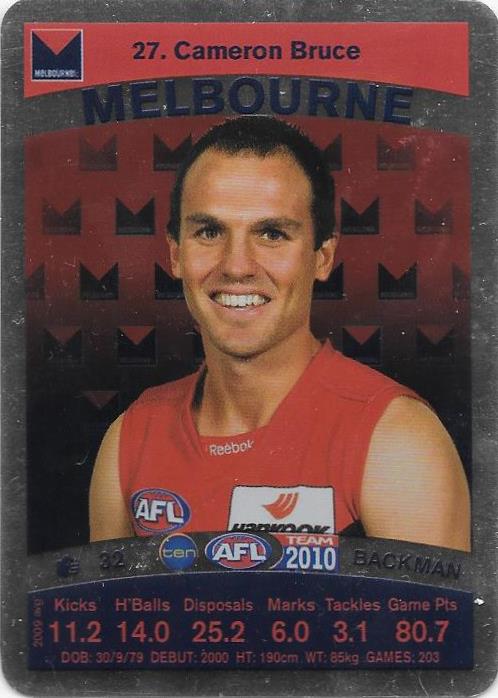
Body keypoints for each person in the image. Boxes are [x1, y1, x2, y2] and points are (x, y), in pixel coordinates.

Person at [89, 116, 470, 551]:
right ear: (175, 253)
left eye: (272, 234)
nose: (236, 266)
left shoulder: (395, 440)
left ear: (322, 257)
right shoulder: (130, 439)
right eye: (209, 232)